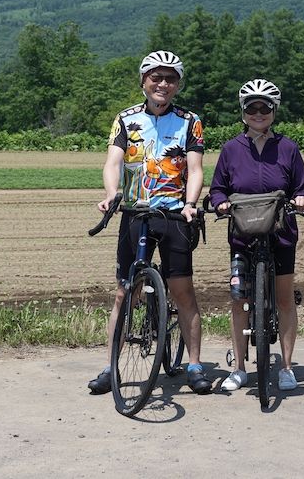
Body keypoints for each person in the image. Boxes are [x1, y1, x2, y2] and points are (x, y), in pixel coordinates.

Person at [88, 50, 212, 396]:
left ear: (177, 85)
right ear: (143, 81)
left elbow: (196, 169)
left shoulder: (190, 121)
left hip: (174, 214)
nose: (163, 84)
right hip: (135, 213)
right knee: (123, 293)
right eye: (155, 77)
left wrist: (190, 204)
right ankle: (110, 365)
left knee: (183, 291)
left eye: (170, 78)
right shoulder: (125, 119)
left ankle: (195, 366)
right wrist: (112, 194)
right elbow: (113, 162)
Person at [208, 79, 304, 394]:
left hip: (281, 232)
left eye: (264, 107)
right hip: (243, 233)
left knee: (284, 299)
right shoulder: (230, 149)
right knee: (239, 299)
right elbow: (217, 187)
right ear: (243, 112)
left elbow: (302, 186)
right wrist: (220, 202)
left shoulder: (288, 147)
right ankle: (239, 368)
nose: (258, 112)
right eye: (252, 107)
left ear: (273, 111)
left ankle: (285, 367)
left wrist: (303, 198)